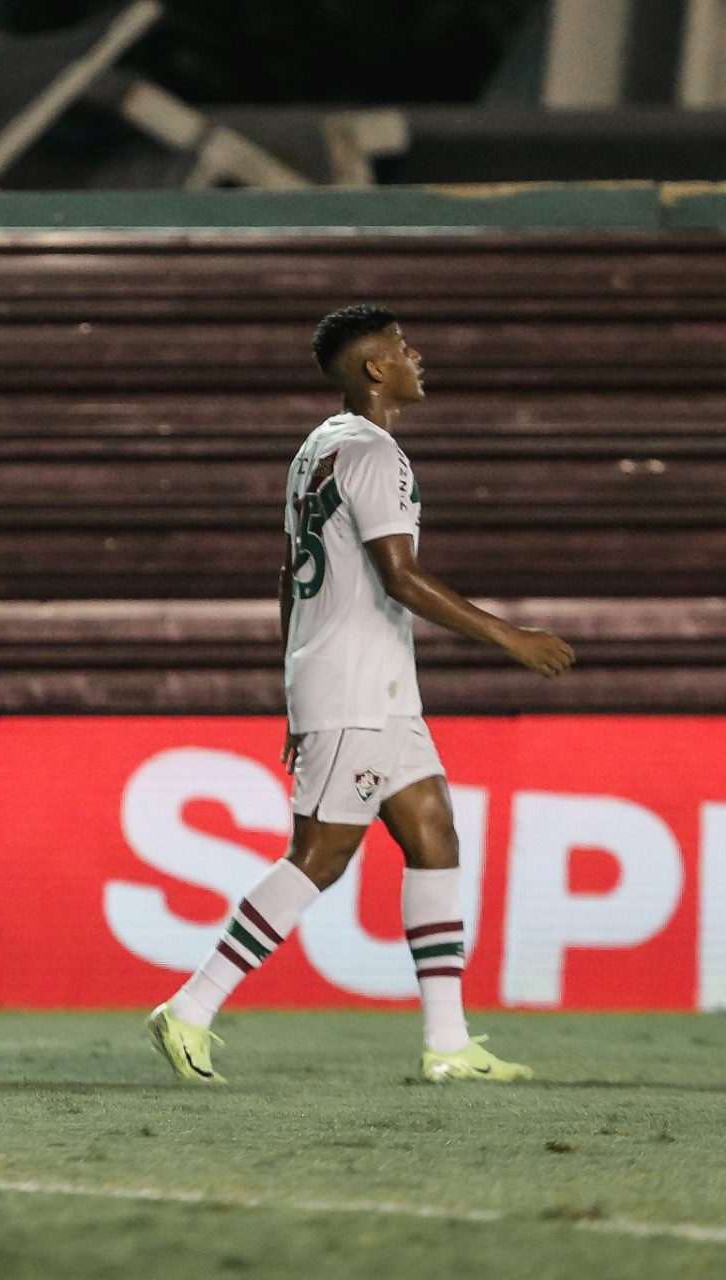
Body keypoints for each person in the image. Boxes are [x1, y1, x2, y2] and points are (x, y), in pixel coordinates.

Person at [146, 303, 575, 1085]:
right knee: (319, 857)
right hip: (352, 686)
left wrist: (291, 684)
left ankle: (448, 1043)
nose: (417, 357)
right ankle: (191, 1007)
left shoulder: (318, 448)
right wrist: (512, 638)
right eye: (404, 349)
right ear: (376, 370)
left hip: (370, 687)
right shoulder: (377, 453)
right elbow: (399, 577)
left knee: (434, 832)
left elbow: (288, 578)